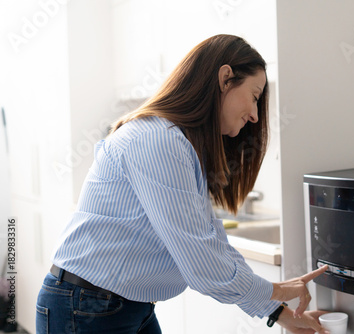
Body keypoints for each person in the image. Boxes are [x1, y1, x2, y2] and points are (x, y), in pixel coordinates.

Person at [35, 34, 330, 334]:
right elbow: (203, 265)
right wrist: (275, 292)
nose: (255, 115)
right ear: (225, 78)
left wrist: (278, 311)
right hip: (85, 307)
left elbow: (212, 242)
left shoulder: (180, 145)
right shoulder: (158, 140)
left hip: (125, 306)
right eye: (254, 96)